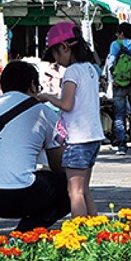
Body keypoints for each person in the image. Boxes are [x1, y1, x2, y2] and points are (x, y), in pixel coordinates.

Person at [0, 61, 70, 244]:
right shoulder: (42, 111)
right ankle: (23, 234)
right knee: (70, 187)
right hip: (16, 193)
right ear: (33, 85)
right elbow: (59, 166)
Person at [37, 22, 103, 217]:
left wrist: (47, 97)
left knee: (74, 192)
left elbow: (66, 104)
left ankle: (79, 230)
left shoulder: (71, 72)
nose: (56, 61)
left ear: (64, 47)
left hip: (78, 139)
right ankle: (95, 228)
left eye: (55, 54)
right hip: (93, 137)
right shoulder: (90, 69)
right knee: (84, 190)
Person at [105, 21, 131, 156]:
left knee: (119, 116)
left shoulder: (115, 45)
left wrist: (112, 80)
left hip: (119, 85)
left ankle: (122, 145)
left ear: (121, 33)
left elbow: (111, 62)